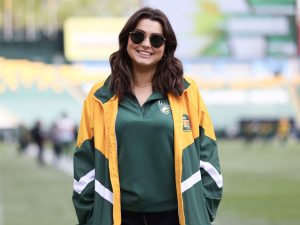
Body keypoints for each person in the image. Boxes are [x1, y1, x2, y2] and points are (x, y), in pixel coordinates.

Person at [72, 7, 223, 225]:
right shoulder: (100, 96)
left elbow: (209, 159)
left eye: (156, 40)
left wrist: (203, 210)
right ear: (126, 40)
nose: (146, 44)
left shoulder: (187, 92)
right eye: (138, 36)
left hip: (176, 217)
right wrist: (91, 218)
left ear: (166, 47)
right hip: (118, 217)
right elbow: (84, 165)